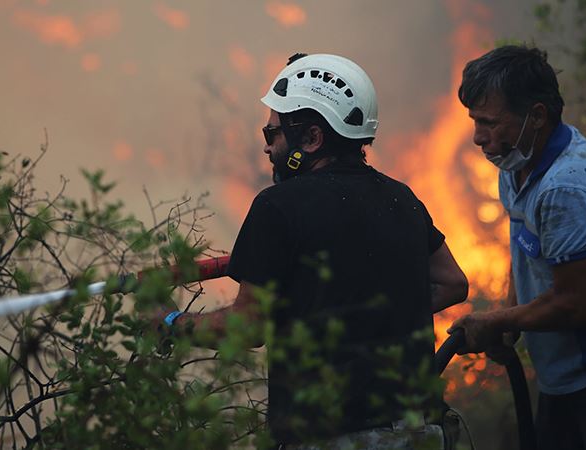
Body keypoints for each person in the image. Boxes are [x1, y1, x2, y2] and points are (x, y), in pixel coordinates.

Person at [161, 53, 468, 449]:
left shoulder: (277, 206)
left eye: (272, 134)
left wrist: (171, 322)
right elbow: (452, 283)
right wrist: (382, 315)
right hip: (421, 432)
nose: (267, 148)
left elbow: (248, 327)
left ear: (311, 138)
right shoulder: (403, 198)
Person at [450, 45, 586, 450]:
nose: (477, 138)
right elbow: (526, 247)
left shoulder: (566, 188)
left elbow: (577, 303)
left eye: (489, 122)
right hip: (563, 378)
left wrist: (499, 321)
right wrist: (509, 311)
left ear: (537, 116)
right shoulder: (517, 161)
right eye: (474, 121)